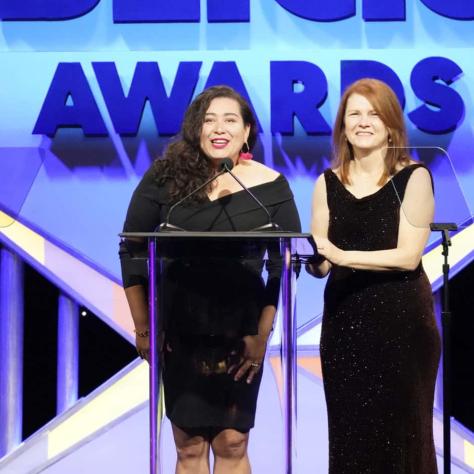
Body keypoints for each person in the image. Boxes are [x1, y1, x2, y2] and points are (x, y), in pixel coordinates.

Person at [119, 85, 301, 474]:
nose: (219, 128)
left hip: (243, 331)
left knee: (232, 441)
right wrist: (144, 327)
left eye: (230, 120)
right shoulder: (165, 177)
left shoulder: (271, 187)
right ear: (195, 128)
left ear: (247, 131)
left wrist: (262, 333)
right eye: (209, 119)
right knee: (189, 445)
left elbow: (281, 264)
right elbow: (132, 249)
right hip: (179, 330)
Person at [307, 78, 441, 473]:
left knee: (404, 437)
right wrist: (310, 261)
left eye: (373, 114)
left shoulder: (414, 177)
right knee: (351, 437)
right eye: (355, 114)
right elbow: (323, 260)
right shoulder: (326, 183)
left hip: (402, 327)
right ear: (342, 125)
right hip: (345, 326)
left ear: (390, 124)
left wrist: (341, 254)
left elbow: (407, 256)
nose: (363, 122)